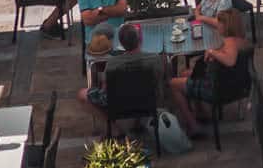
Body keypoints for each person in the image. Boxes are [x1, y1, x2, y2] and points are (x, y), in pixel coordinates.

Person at [171, 9, 247, 137]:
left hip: (218, 87)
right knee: (186, 73)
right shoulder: (239, 40)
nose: (217, 25)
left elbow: (230, 61)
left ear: (226, 25)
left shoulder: (230, 42)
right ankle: (200, 112)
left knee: (173, 84)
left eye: (219, 23)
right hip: (232, 82)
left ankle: (193, 126)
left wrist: (212, 52)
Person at [78, 22, 164, 129]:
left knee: (82, 94)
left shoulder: (112, 64)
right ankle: (138, 123)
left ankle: (115, 130)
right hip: (148, 102)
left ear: (122, 44)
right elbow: (160, 81)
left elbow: (106, 90)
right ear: (140, 40)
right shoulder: (155, 59)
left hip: (119, 105)